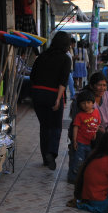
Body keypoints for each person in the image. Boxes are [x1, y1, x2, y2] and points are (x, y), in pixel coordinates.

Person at [30, 31, 72, 170]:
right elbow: (63, 81)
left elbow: (32, 76)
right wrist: (58, 99)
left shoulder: (42, 56)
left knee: (44, 126)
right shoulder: (66, 59)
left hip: (37, 93)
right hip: (53, 94)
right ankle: (51, 153)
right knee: (55, 126)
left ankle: (45, 158)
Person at [68, 90, 100, 183]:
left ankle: (84, 177)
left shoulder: (96, 113)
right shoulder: (79, 116)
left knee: (87, 160)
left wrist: (95, 133)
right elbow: (75, 128)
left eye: (88, 102)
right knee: (78, 161)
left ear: (93, 103)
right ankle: (73, 178)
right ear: (79, 105)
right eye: (83, 103)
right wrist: (74, 140)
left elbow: (97, 124)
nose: (86, 105)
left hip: (90, 142)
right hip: (80, 142)